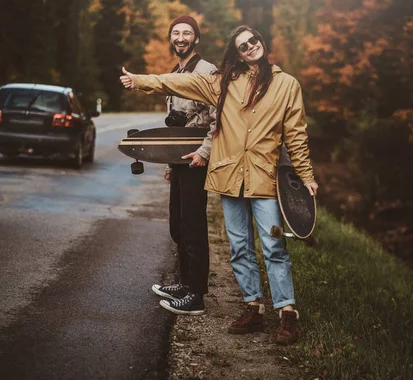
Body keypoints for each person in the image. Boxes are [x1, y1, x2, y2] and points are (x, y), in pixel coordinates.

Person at [120, 25, 318, 345]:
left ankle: (286, 313)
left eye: (253, 41)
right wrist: (140, 80)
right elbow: (178, 81)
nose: (250, 47)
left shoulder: (287, 85)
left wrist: (306, 177)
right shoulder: (223, 82)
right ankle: (252, 306)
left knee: (273, 248)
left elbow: (296, 137)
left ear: (262, 43)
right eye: (242, 45)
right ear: (236, 53)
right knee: (239, 248)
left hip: (265, 179)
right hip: (229, 178)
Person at [150, 15, 217, 316]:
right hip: (179, 160)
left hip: (197, 159)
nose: (181, 37)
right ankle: (184, 282)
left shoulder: (207, 71)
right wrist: (169, 162)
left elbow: (219, 119)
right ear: (170, 38)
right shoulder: (174, 73)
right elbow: (174, 126)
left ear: (196, 39)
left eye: (187, 33)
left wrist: (204, 152)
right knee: (177, 223)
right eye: (176, 32)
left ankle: (196, 295)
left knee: (193, 225)